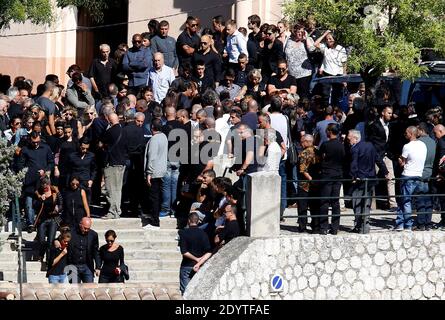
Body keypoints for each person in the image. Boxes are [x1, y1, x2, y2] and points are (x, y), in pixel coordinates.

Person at [17, 131, 55, 231]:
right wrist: (26, 173)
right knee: (29, 203)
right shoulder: (25, 150)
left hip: (42, 182)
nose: (36, 144)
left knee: (43, 202)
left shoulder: (46, 148)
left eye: (37, 141)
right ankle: (30, 224)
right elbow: (20, 165)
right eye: (34, 142)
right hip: (29, 182)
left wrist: (46, 170)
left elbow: (51, 162)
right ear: (30, 140)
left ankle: (41, 222)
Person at [395, 126, 427, 231]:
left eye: (406, 133)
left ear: (411, 134)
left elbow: (402, 163)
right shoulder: (423, 145)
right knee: (408, 200)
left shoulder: (407, 146)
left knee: (405, 201)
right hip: (418, 175)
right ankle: (400, 224)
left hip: (407, 175)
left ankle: (406, 225)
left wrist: (399, 159)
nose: (405, 135)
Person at [366, 106, 397, 211]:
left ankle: (393, 204)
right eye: (388, 113)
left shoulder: (390, 126)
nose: (391, 115)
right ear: (382, 113)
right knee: (372, 179)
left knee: (391, 178)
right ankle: (371, 205)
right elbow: (370, 141)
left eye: (391, 113)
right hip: (376, 155)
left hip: (387, 155)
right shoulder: (374, 125)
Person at [348, 129, 377, 234]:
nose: (348, 139)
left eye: (349, 138)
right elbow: (377, 159)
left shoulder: (355, 148)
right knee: (366, 204)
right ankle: (365, 227)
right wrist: (385, 171)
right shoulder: (370, 146)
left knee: (357, 203)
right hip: (370, 179)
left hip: (359, 180)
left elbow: (354, 164)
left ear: (355, 138)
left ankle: (359, 226)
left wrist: (353, 176)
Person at [319, 123, 345, 235]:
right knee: (335, 202)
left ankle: (323, 227)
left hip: (327, 174)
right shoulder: (341, 145)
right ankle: (335, 227)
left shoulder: (325, 145)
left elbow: (320, 157)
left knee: (324, 201)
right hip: (338, 174)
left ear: (329, 132)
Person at [101, 113, 128, 219]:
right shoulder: (124, 131)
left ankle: (112, 212)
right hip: (122, 163)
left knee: (109, 189)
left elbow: (100, 144)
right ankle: (116, 211)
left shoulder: (110, 131)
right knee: (117, 189)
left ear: (109, 120)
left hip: (112, 163)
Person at [142, 119, 168, 229]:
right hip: (161, 170)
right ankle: (153, 217)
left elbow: (151, 158)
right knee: (156, 196)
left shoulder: (154, 139)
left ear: (152, 127)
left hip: (154, 172)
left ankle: (154, 220)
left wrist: (149, 173)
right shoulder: (164, 137)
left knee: (154, 197)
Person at [178, 212, 212, 295]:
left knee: (185, 292)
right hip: (199, 266)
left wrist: (196, 259)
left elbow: (184, 252)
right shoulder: (203, 234)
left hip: (186, 265)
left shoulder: (183, 233)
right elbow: (209, 252)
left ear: (189, 221)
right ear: (198, 221)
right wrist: (199, 262)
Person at [34, 176, 63, 266]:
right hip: (42, 219)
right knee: (42, 240)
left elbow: (61, 203)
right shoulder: (38, 193)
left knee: (50, 241)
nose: (45, 188)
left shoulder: (55, 191)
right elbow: (34, 206)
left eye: (47, 186)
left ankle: (48, 260)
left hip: (53, 219)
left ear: (50, 184)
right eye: (44, 186)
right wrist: (40, 199)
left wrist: (58, 209)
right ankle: (41, 255)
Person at [285, 24, 314, 100]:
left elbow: (312, 49)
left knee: (303, 97)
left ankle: (304, 111)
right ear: (294, 32)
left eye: (302, 32)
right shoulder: (289, 40)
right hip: (292, 74)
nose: (300, 33)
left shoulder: (306, 41)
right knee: (292, 97)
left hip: (304, 73)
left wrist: (306, 38)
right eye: (298, 32)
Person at [67, 217, 100, 283]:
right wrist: (56, 241)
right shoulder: (71, 232)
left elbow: (96, 252)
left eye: (88, 228)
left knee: (89, 289)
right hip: (73, 266)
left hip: (87, 265)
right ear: (80, 224)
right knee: (75, 289)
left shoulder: (93, 235)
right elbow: (61, 239)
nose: (86, 230)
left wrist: (98, 267)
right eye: (85, 228)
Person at [415, 122, 436, 230]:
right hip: (430, 172)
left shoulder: (418, 142)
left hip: (420, 172)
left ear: (421, 130)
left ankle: (421, 223)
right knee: (428, 199)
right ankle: (428, 222)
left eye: (417, 129)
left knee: (420, 198)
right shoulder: (433, 142)